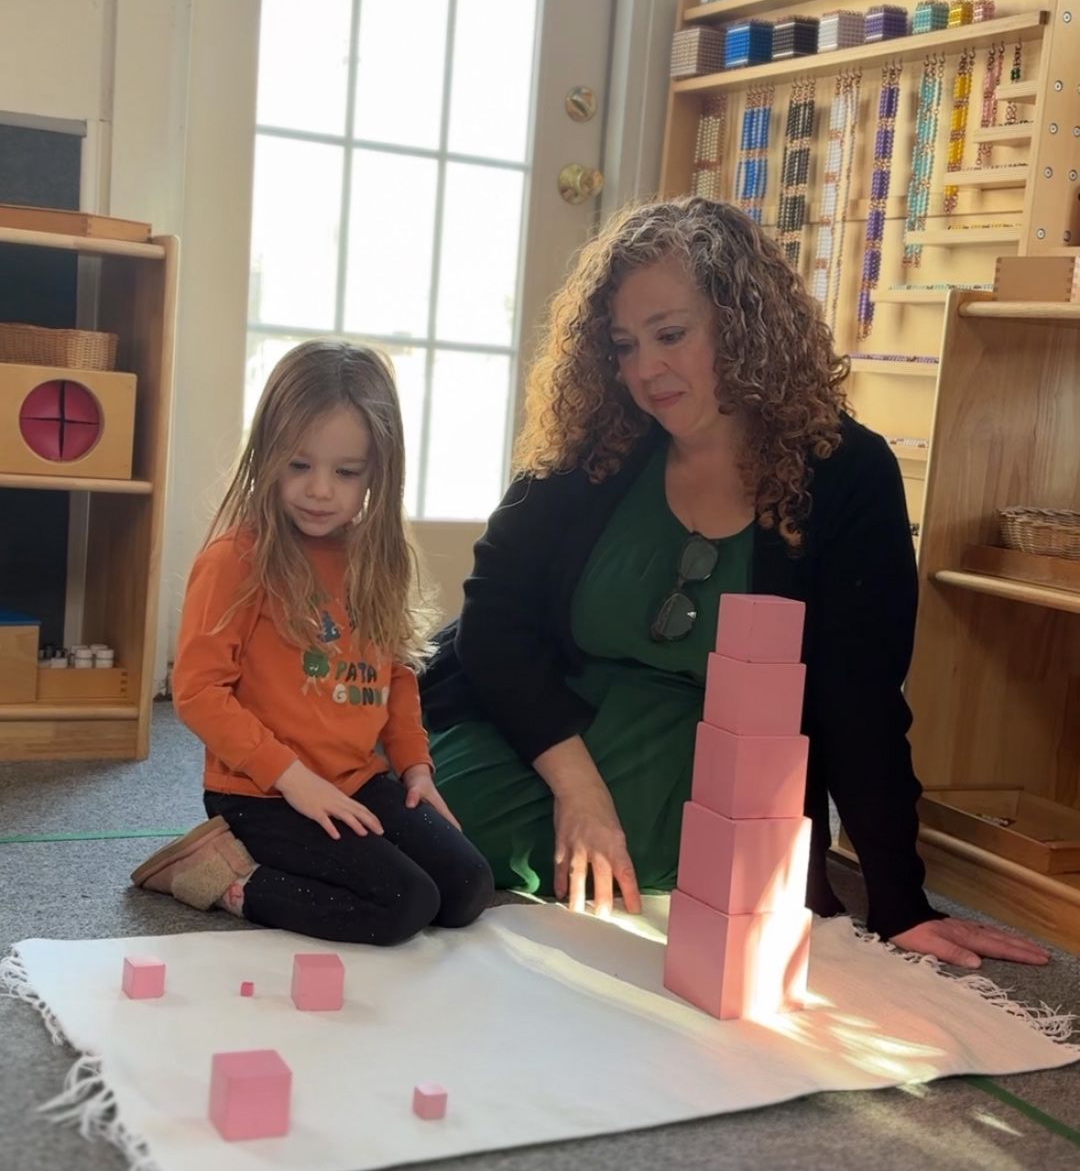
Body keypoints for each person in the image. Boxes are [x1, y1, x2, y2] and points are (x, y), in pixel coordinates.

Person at [421, 197, 1049, 970]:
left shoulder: (848, 473)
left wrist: (900, 901)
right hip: (548, 728)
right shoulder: (589, 447)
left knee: (677, 882)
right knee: (426, 821)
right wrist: (577, 789)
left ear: (743, 322)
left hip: (716, 773)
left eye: (671, 335)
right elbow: (494, 625)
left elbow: (861, 698)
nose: (644, 370)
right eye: (623, 345)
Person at [131, 340, 493, 944]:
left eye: (346, 472)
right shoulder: (235, 558)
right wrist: (294, 780)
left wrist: (415, 769)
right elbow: (197, 692)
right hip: (262, 793)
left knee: (467, 888)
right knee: (403, 905)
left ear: (378, 471)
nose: (320, 490)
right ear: (267, 454)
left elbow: (396, 673)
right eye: (298, 465)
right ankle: (221, 875)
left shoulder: (377, 559)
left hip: (356, 779)